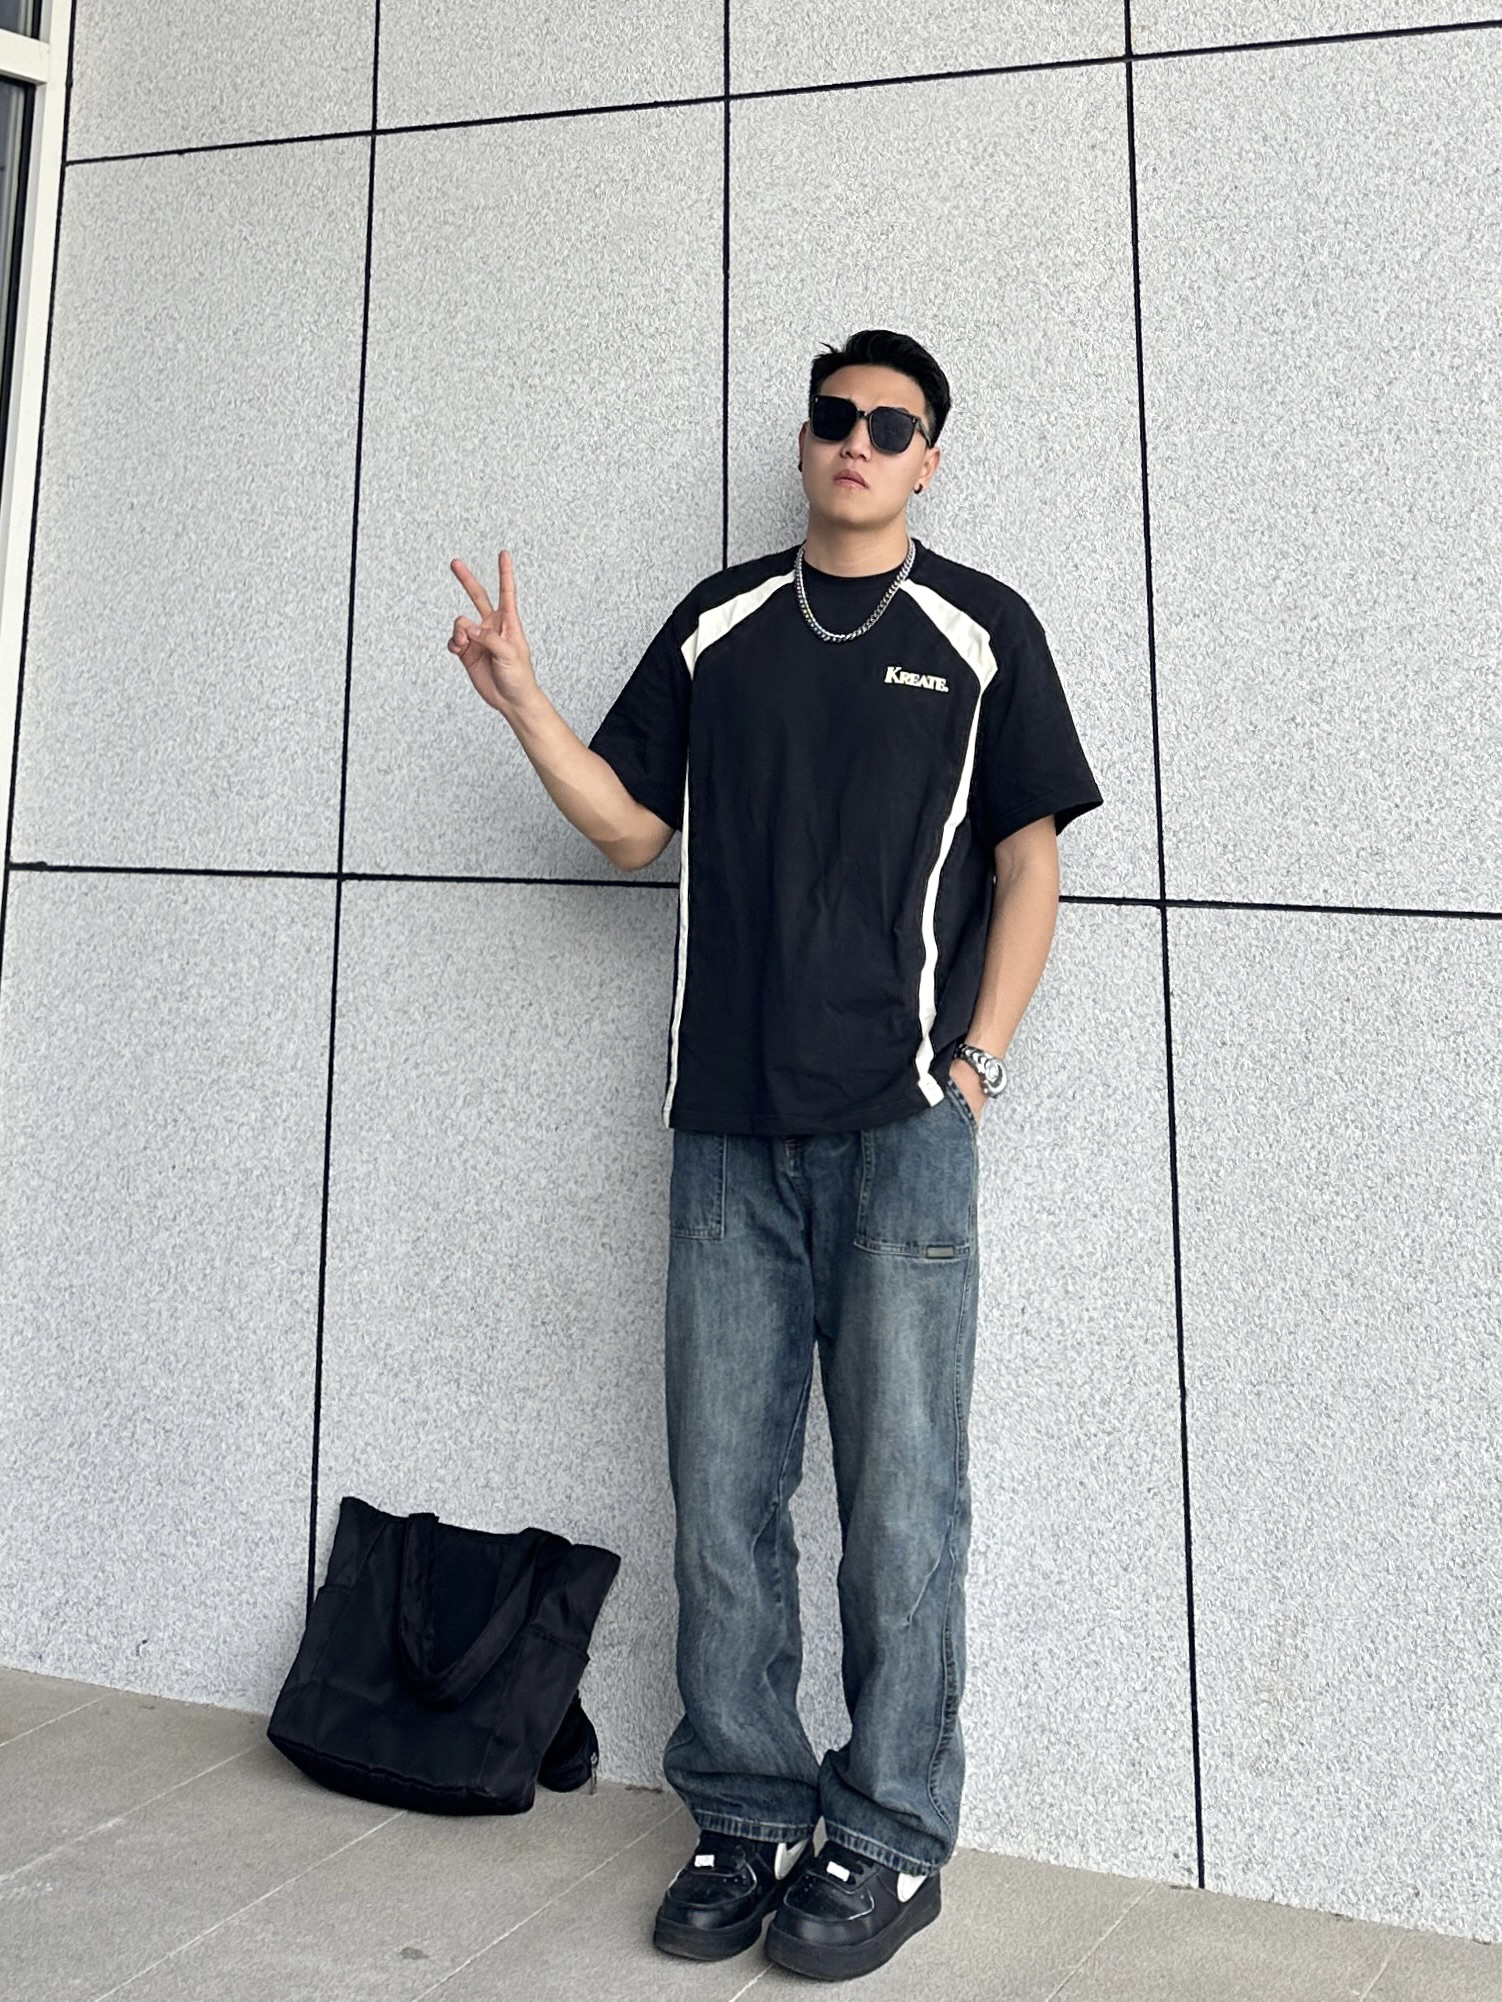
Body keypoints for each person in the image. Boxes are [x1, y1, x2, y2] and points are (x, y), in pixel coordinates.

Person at [447, 329, 1102, 1981]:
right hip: (725, 1132)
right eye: (835, 417)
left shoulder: (982, 631)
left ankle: (887, 1831)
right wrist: (525, 706)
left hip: (902, 1133)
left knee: (902, 1500)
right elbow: (628, 828)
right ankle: (742, 1808)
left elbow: (1029, 866)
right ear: (805, 443)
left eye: (891, 423)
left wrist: (976, 1066)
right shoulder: (719, 624)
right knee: (723, 1494)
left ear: (928, 458)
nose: (857, 439)